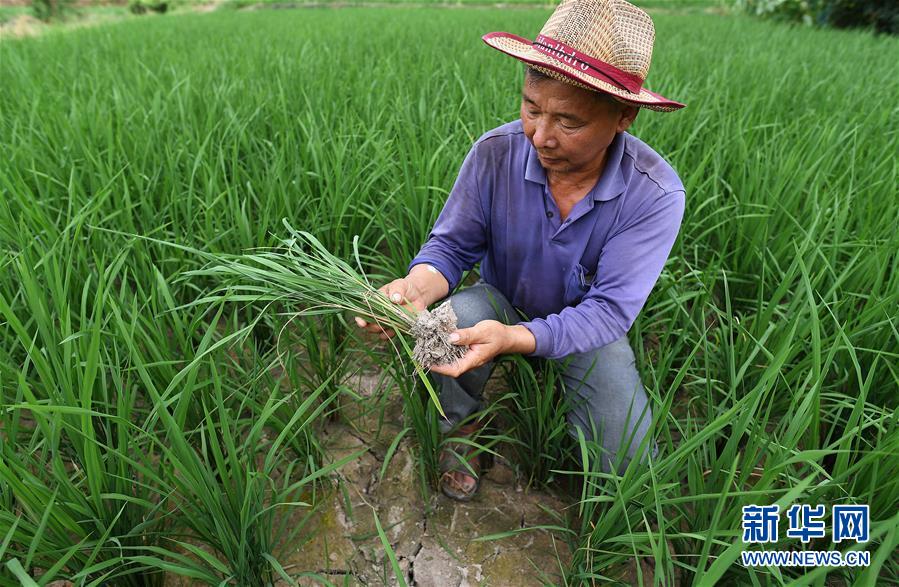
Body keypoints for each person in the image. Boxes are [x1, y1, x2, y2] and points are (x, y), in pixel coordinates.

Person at [355, 0, 686, 501]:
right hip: (500, 298)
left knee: (632, 469)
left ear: (625, 115)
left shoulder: (654, 194)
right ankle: (458, 430)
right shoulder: (496, 152)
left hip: (586, 327)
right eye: (531, 108)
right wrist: (413, 289)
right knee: (445, 323)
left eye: (568, 122)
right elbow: (451, 246)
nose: (540, 136)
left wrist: (515, 338)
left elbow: (608, 312)